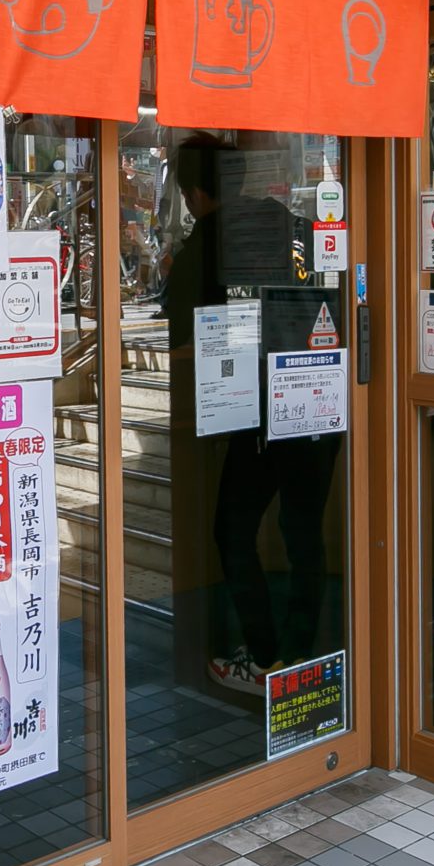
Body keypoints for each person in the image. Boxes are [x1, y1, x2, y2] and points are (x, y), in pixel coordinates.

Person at [160, 135, 342, 696]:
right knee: (303, 531)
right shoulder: (295, 227)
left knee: (233, 530)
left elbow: (185, 341)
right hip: (320, 395)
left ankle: (264, 656)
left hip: (261, 412)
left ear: (192, 193)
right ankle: (299, 655)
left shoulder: (204, 246)